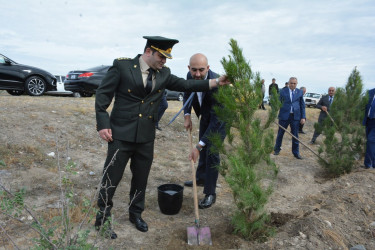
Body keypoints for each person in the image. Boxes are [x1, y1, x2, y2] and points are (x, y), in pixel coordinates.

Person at [94, 36, 229, 238]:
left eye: (166, 58)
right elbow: (103, 96)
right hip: (120, 135)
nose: (164, 61)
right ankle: (102, 220)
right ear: (148, 51)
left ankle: (135, 214)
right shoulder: (122, 67)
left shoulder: (164, 73)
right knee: (111, 178)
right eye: (161, 56)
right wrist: (103, 124)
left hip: (146, 137)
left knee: (141, 179)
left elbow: (187, 85)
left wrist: (217, 81)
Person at [183, 53, 226, 209]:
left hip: (220, 120)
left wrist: (198, 146)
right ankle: (200, 178)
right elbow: (187, 92)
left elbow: (216, 121)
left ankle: (210, 193)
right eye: (194, 70)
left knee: (211, 152)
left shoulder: (219, 86)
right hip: (205, 115)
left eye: (201, 70)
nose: (197, 74)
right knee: (202, 144)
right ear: (189, 68)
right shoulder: (190, 75)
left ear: (208, 68)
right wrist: (187, 115)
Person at [273, 77, 306, 159]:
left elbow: (302, 105)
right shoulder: (282, 91)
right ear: (288, 83)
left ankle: (296, 153)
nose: (293, 85)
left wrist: (303, 117)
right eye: (291, 83)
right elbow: (277, 103)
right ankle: (277, 149)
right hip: (284, 116)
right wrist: (273, 113)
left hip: (295, 117)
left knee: (295, 135)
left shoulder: (300, 92)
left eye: (294, 83)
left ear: (296, 84)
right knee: (280, 133)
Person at [362, 88, 375, 169]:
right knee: (370, 142)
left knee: (371, 141)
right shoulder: (370, 92)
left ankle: (368, 164)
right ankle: (373, 164)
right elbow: (364, 105)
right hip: (368, 120)